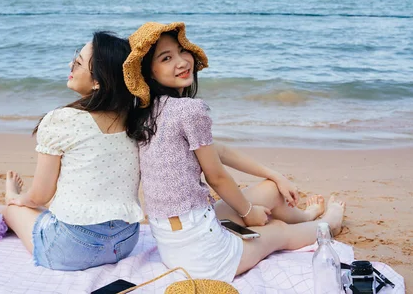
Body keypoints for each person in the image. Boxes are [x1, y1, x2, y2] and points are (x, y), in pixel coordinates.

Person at [123, 21, 346, 282]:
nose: (182, 62)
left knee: (271, 190)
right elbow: (216, 176)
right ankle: (329, 225)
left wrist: (274, 175)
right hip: (206, 257)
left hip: (175, 240)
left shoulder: (148, 114)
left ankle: (306, 216)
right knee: (278, 231)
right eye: (166, 58)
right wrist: (248, 212)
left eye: (182, 52)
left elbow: (218, 150)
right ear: (149, 73)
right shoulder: (189, 110)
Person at [0, 31, 144, 271]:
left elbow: (41, 196)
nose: (70, 65)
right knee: (55, 210)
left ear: (99, 81)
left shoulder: (62, 120)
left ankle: (10, 198)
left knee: (11, 210)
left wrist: (19, 200)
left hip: (74, 248)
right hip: (125, 241)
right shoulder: (135, 119)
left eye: (77, 63)